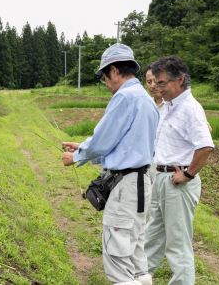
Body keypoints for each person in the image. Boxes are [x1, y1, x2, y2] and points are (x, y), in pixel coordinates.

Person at [62, 43, 159, 285]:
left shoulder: (124, 97)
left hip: (125, 187)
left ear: (114, 71)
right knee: (136, 249)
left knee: (117, 259)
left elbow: (103, 140)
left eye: (105, 76)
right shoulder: (146, 100)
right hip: (142, 183)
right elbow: (123, 144)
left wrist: (75, 156)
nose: (105, 83)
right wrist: (82, 146)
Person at [144, 56, 214, 285]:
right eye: (155, 83)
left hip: (178, 182)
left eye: (162, 83)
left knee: (177, 244)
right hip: (161, 177)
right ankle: (140, 277)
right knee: (152, 235)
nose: (157, 88)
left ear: (180, 80)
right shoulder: (170, 106)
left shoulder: (190, 109)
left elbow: (205, 146)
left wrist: (187, 174)